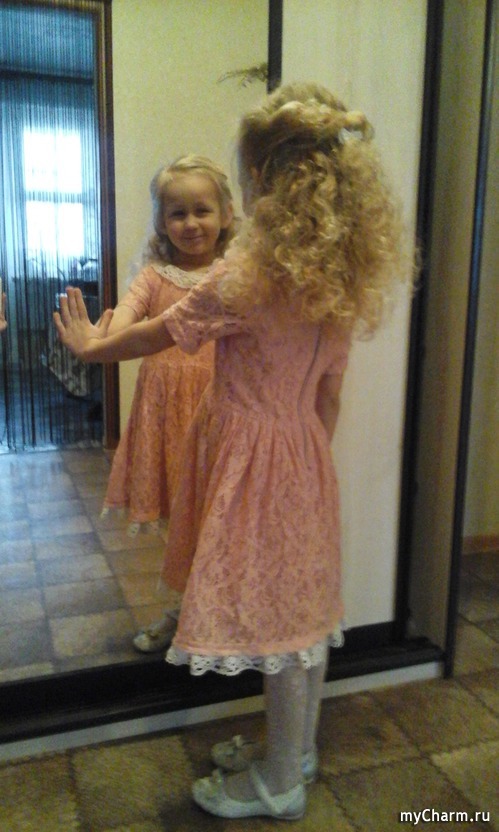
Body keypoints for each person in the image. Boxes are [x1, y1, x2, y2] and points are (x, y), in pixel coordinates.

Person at [54, 82, 409, 820]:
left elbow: (161, 332)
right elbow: (330, 394)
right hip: (304, 454)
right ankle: (295, 751)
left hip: (254, 461)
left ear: (260, 179)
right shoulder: (335, 272)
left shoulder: (247, 275)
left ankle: (279, 782)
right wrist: (301, 463)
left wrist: (92, 347)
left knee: (276, 622)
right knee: (301, 610)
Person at [102, 155, 235, 653]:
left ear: (226, 214)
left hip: (218, 412)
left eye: (202, 210)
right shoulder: (154, 276)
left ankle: (214, 616)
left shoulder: (234, 275)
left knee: (217, 518)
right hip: (164, 415)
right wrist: (106, 336)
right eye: (177, 213)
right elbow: (126, 318)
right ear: (161, 221)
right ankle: (184, 613)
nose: (190, 223)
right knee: (181, 522)